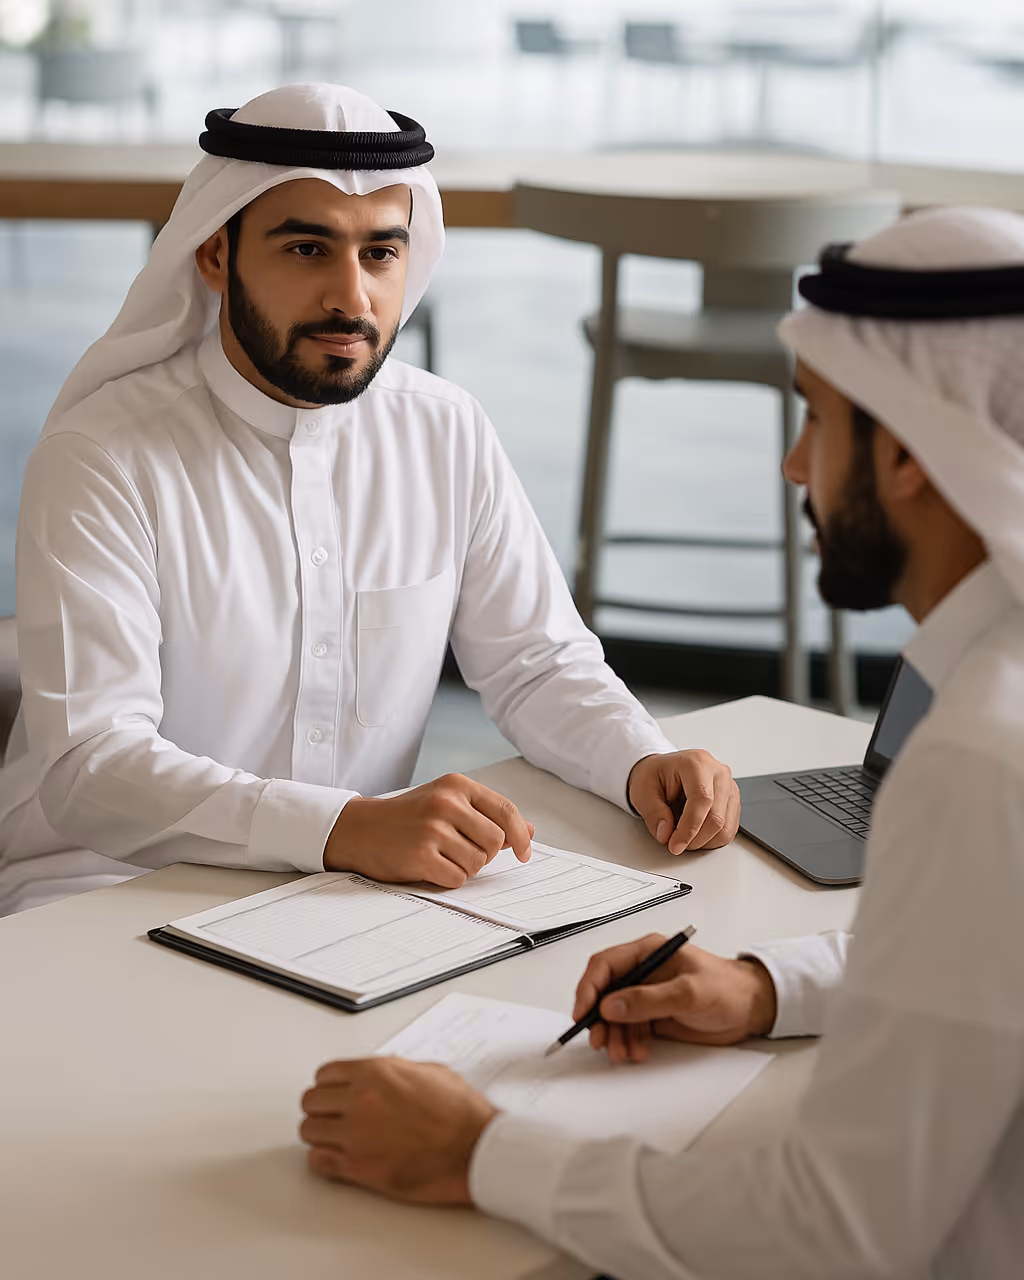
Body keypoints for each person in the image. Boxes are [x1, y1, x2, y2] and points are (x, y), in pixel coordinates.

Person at [299, 206, 1024, 1279]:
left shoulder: (979, 750)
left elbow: (831, 1229)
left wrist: (477, 1149)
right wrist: (762, 986)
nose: (790, 466)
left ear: (911, 453)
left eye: (815, 420)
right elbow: (985, 964)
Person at [0, 83, 739, 915]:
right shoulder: (103, 456)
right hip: (101, 888)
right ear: (214, 255)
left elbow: (536, 663)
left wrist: (642, 760)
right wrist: (343, 826)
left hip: (346, 896)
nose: (351, 297)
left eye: (380, 254)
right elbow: (92, 765)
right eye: (307, 250)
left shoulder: (444, 430)